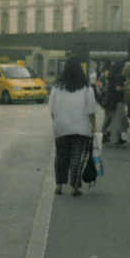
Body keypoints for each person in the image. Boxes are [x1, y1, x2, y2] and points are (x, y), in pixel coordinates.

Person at [49, 59, 97, 196]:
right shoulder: (87, 88)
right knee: (77, 157)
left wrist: (58, 122)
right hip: (81, 128)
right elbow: (91, 110)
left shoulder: (57, 87)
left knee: (61, 156)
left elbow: (52, 110)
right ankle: (75, 187)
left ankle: (59, 186)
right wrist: (94, 126)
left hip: (61, 127)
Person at [105, 61, 128, 144]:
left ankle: (106, 134)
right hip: (117, 100)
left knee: (110, 118)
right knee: (117, 119)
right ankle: (114, 137)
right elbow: (118, 89)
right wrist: (126, 88)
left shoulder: (111, 76)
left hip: (110, 100)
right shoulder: (119, 77)